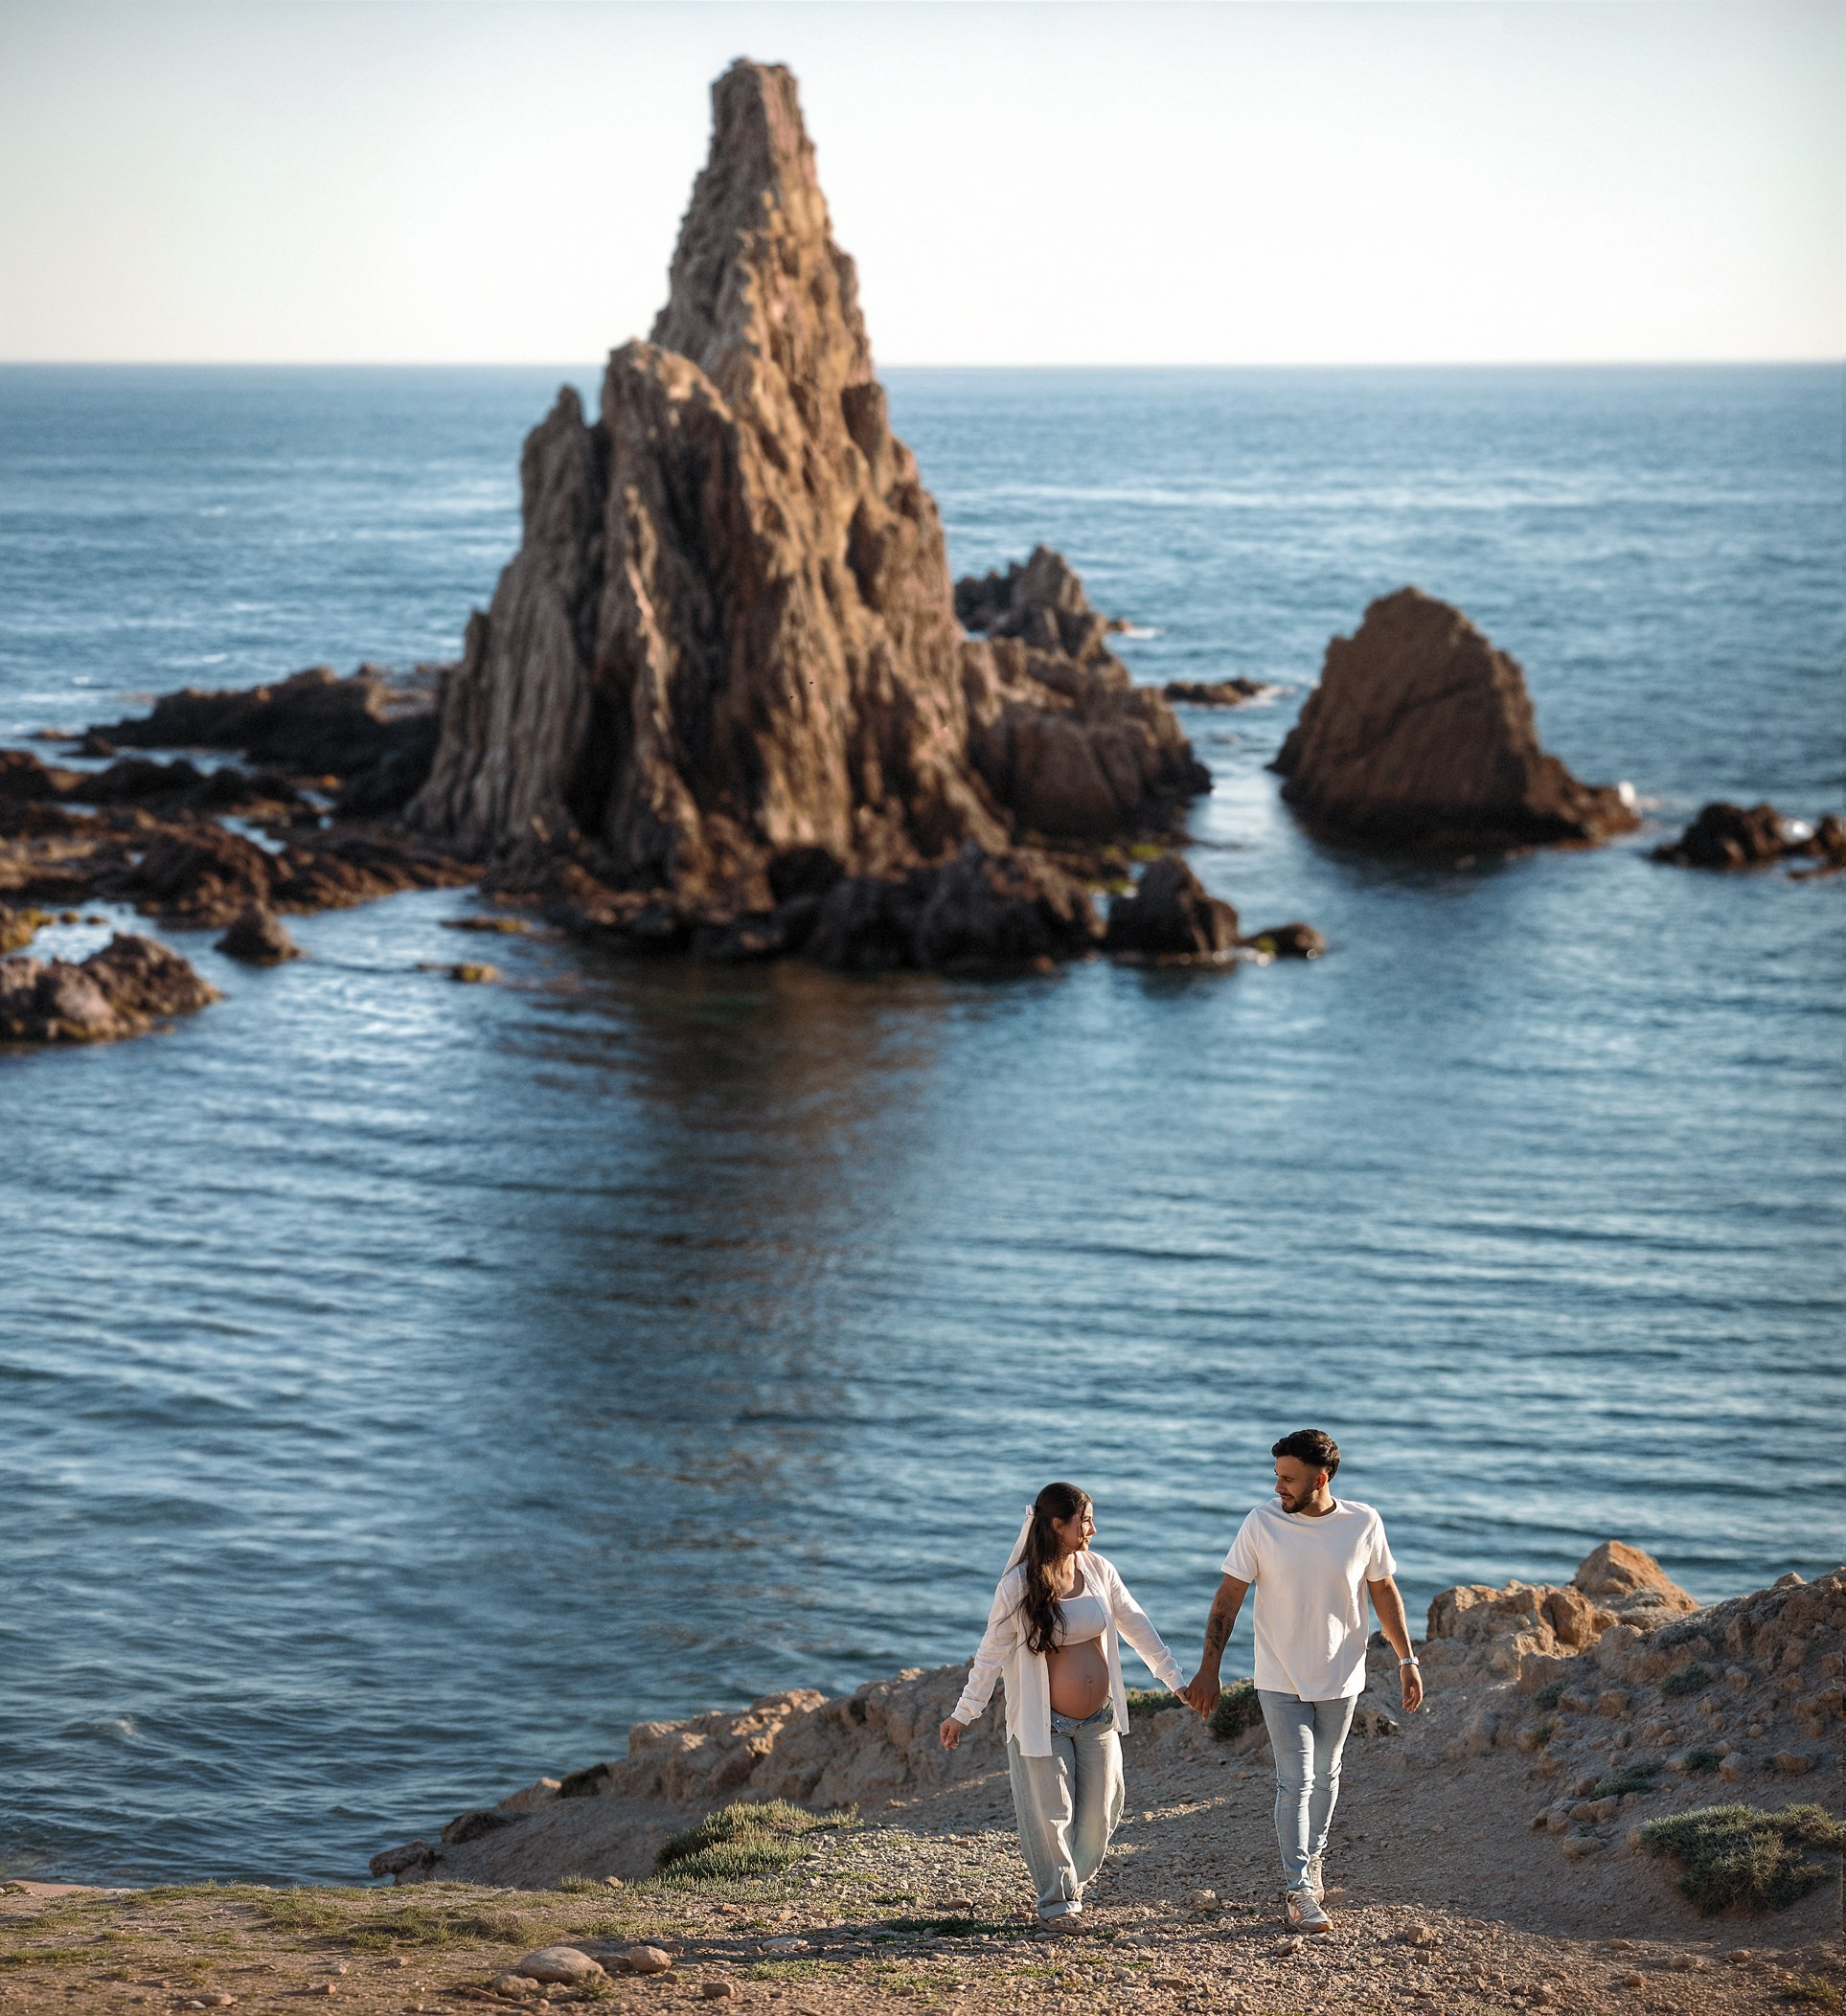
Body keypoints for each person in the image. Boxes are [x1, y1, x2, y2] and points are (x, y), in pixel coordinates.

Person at [1179, 1430, 1423, 1933]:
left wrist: (1406, 1658)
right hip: (1279, 1675)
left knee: (1328, 1775)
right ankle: (1298, 1889)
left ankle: (1313, 1863)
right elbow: (1229, 1596)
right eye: (1276, 1477)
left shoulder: (1363, 1522)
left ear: (1321, 1478)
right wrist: (1210, 1668)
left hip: (1342, 1674)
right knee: (1297, 1779)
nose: (1278, 1489)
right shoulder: (1261, 1523)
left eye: (1288, 1479)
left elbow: (1383, 1590)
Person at [939, 1483, 1186, 1928]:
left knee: (1102, 1810)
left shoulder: (1098, 1570)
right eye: (1084, 1521)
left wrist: (1174, 1679)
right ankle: (1056, 1901)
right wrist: (963, 1713)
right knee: (1051, 1814)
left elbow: (1136, 1624)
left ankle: (1069, 1882)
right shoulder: (1018, 1584)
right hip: (1044, 1721)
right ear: (1057, 1525)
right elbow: (990, 1654)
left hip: (1099, 1718)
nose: (1092, 1529)